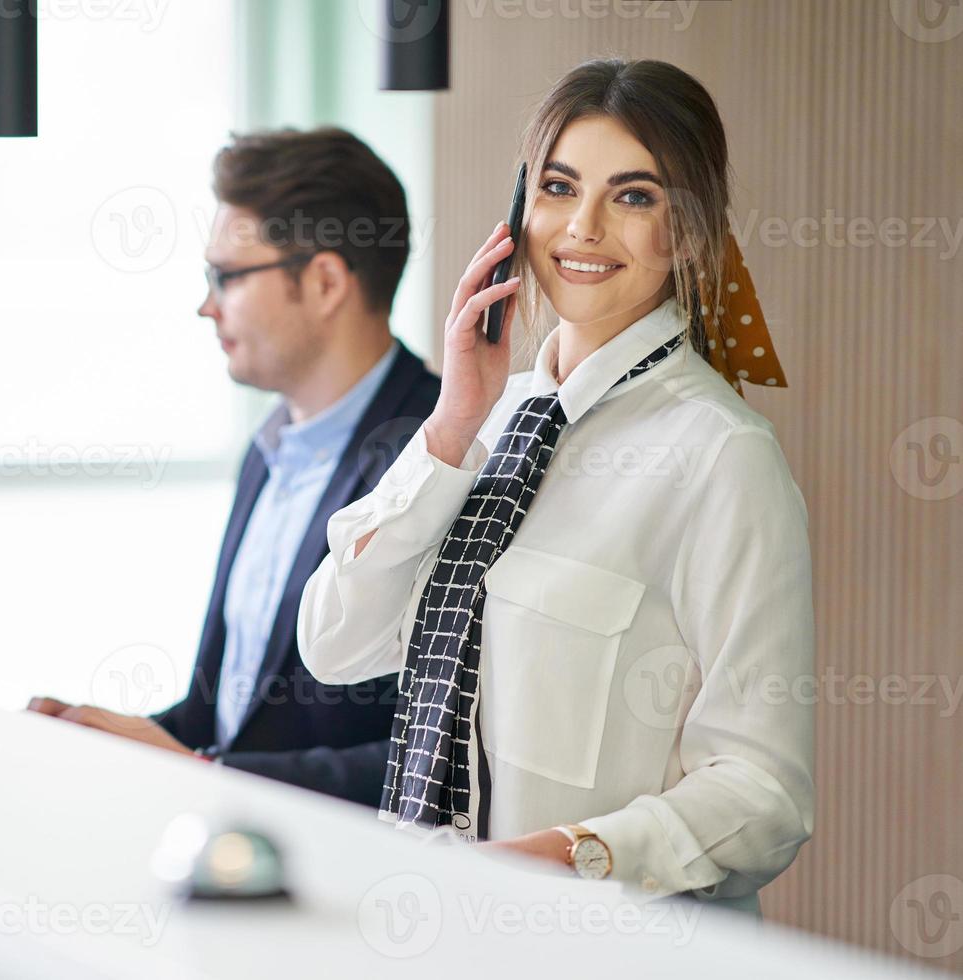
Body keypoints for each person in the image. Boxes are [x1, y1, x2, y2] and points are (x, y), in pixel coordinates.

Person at [297, 59, 815, 912]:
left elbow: (766, 794)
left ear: (687, 233)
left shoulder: (720, 455)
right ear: (517, 212)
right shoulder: (490, 422)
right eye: (558, 187)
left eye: (632, 196)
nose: (581, 227)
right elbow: (335, 644)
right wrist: (451, 423)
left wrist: (563, 859)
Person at [27, 128, 440, 806]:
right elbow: (217, 722)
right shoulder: (266, 452)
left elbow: (438, 753)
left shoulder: (437, 457)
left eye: (226, 276)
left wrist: (205, 773)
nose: (205, 304)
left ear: (325, 281)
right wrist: (96, 734)